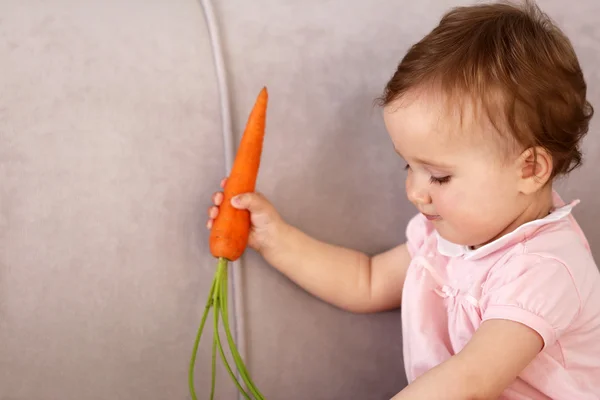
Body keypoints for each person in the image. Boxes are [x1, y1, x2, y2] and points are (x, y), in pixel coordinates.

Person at [207, 1, 600, 398]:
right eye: (407, 167)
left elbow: (472, 380)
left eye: (440, 176)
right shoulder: (448, 238)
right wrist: (275, 238)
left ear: (530, 169)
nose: (415, 191)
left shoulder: (546, 268)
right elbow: (367, 280)